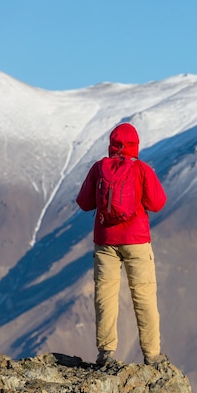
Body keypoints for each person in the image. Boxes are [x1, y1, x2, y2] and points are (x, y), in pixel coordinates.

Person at [76, 122, 167, 366]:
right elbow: (158, 203)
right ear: (135, 145)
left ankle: (106, 353)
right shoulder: (142, 169)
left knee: (105, 295)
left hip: (106, 241)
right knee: (144, 296)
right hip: (137, 241)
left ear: (111, 145)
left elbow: (84, 203)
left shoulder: (98, 168)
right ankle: (152, 355)